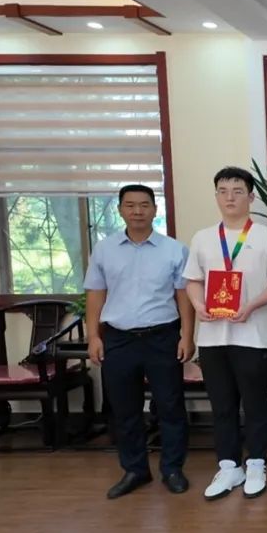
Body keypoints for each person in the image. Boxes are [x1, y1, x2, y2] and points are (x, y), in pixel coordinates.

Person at [183, 166, 267, 500]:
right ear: (216, 196)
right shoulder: (202, 238)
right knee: (222, 405)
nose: (230, 197)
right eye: (223, 191)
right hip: (212, 337)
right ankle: (229, 465)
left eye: (238, 191)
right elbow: (193, 280)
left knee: (256, 403)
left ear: (251, 197)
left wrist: (251, 305)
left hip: (253, 335)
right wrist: (199, 305)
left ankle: (256, 462)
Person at [84, 184, 194, 499]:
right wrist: (94, 336)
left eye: (144, 205)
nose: (137, 211)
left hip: (163, 336)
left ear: (154, 210)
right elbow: (95, 294)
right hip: (119, 338)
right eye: (130, 205)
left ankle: (172, 469)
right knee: (124, 408)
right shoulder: (104, 249)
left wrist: (187, 336)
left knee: (170, 406)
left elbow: (183, 296)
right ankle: (135, 470)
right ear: (120, 210)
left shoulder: (174, 249)